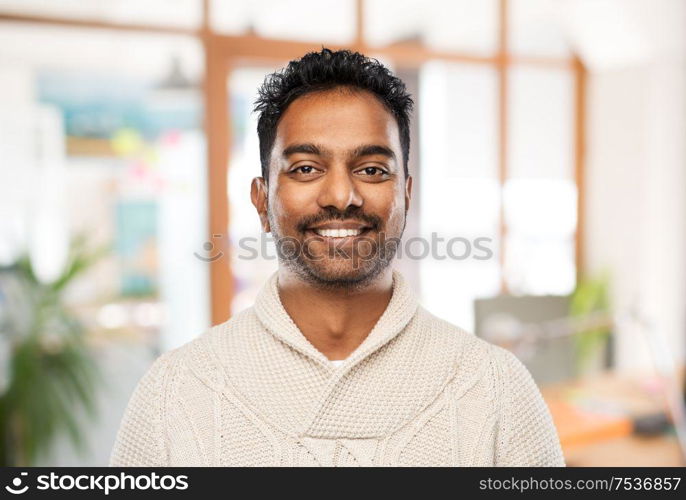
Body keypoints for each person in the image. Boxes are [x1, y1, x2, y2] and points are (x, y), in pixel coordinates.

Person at [109, 48, 565, 467]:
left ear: (406, 195)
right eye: (306, 168)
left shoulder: (497, 389)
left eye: (371, 170)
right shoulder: (174, 390)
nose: (341, 196)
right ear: (261, 199)